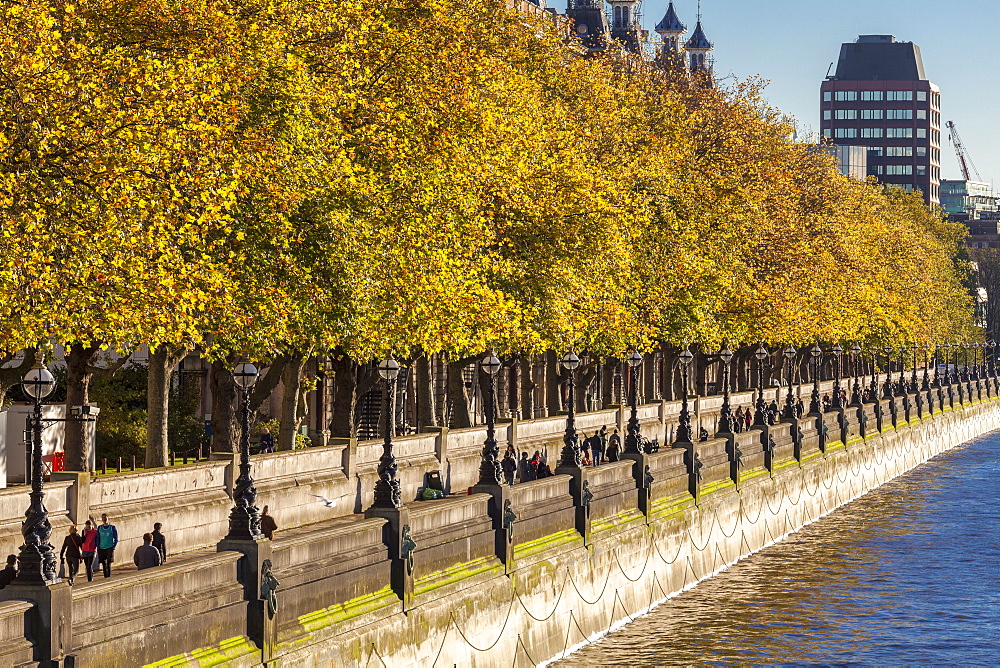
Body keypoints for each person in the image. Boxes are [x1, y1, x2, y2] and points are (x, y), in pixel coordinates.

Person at [96, 513, 119, 578]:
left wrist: (113, 547)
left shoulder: (112, 527)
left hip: (109, 547)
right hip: (102, 548)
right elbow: (98, 538)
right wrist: (98, 546)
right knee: (103, 563)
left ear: (108, 519)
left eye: (105, 518)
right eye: (103, 518)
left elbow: (116, 538)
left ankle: (109, 576)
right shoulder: (100, 528)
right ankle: (105, 577)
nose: (104, 519)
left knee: (108, 563)